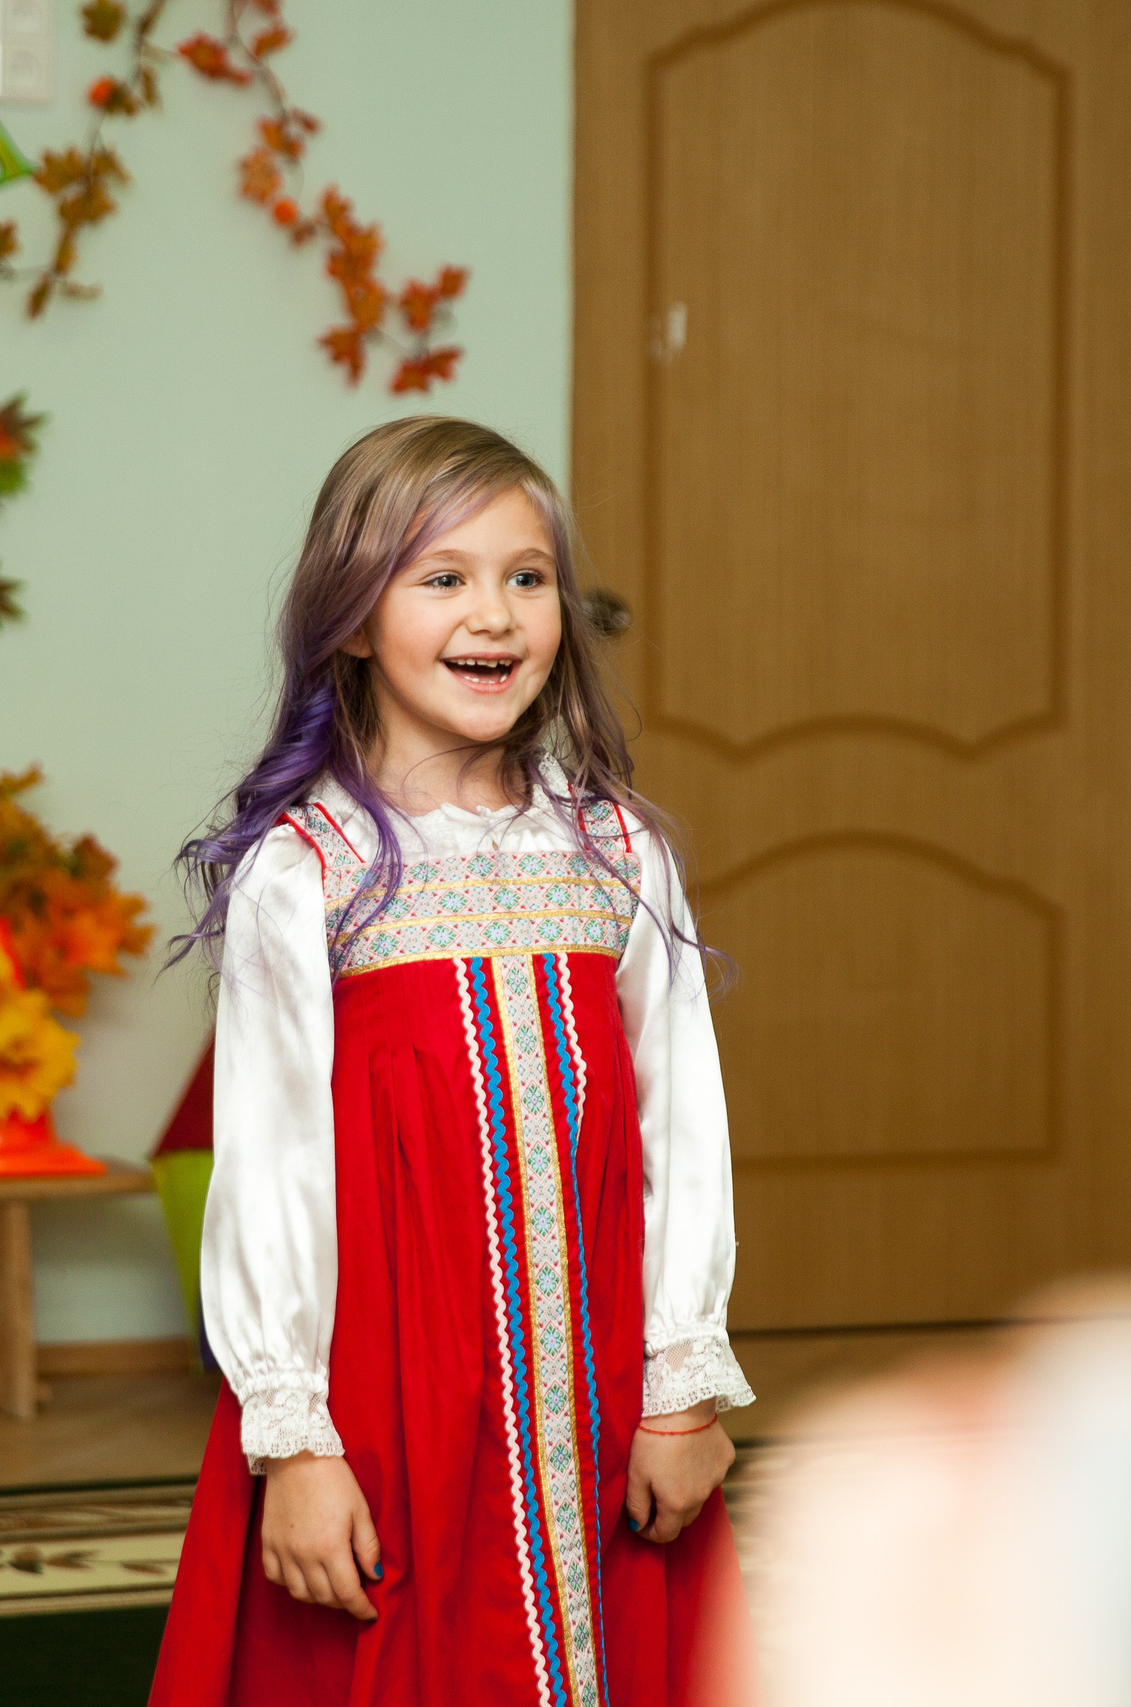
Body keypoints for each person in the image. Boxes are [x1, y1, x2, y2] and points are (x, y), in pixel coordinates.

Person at [150, 417, 755, 1706]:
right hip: (392, 1396)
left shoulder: (615, 854)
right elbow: (268, 1170)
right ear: (354, 619)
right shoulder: (306, 871)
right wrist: (295, 1441)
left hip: (602, 1385)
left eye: (526, 577)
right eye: (444, 577)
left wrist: (683, 1388)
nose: (495, 613)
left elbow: (681, 1131)